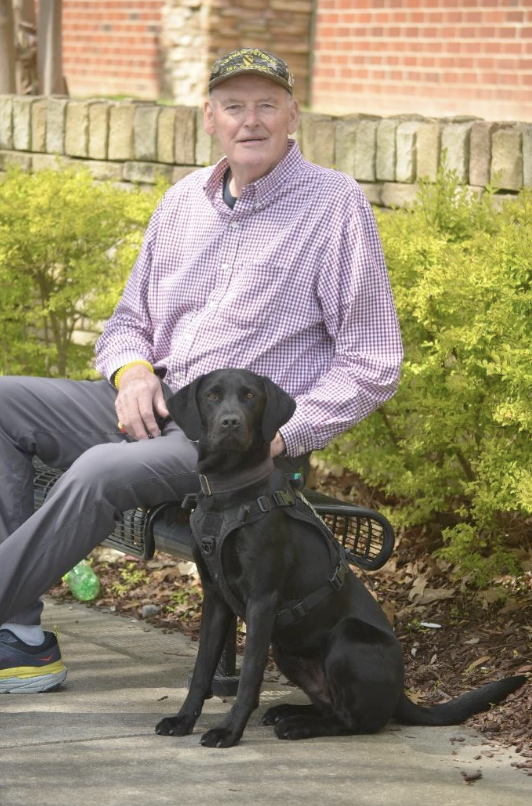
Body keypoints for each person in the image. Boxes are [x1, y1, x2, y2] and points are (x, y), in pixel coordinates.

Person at [0, 48, 403, 693]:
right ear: (209, 117)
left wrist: (280, 437)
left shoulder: (333, 207)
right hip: (160, 402)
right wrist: (132, 372)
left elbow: (373, 362)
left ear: (293, 114)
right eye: (235, 106)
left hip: (240, 442)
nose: (252, 120)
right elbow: (129, 319)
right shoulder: (183, 201)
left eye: (267, 105)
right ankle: (18, 639)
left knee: (99, 471)